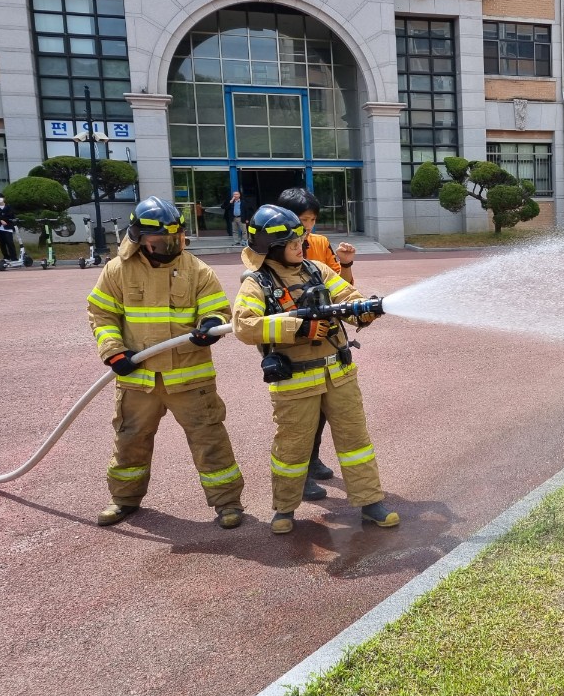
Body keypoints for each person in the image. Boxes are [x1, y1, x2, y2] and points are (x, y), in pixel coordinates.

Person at [231, 204, 398, 535]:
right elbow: (244, 326)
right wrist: (299, 329)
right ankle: (284, 509)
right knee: (291, 448)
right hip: (294, 382)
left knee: (356, 440)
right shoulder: (257, 283)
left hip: (339, 374)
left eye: (301, 240)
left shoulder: (317, 270)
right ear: (273, 248)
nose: (301, 246)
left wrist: (365, 311)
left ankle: (370, 503)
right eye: (294, 242)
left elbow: (348, 299)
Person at [86, 196, 245, 529]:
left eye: (177, 239)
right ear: (141, 237)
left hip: (190, 379)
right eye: (162, 241)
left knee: (209, 439)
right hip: (138, 380)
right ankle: (124, 499)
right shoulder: (117, 270)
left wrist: (210, 326)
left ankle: (228, 503)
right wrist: (113, 351)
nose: (172, 246)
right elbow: (102, 314)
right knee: (131, 439)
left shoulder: (197, 270)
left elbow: (218, 310)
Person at [274, 187, 357, 502]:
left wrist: (346, 264)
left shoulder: (321, 245)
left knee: (324, 408)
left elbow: (345, 292)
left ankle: (313, 458)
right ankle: (301, 473)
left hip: (327, 339)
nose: (307, 226)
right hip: (293, 343)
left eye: (311, 219)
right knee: (299, 414)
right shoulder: (269, 248)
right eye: (301, 219)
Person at [0, 192, 17, 261]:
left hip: (8, 227)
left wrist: (2, 219)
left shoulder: (9, 207)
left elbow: (11, 216)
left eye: (0, 198)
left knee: (10, 242)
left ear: (4, 199)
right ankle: (6, 257)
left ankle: (14, 258)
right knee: (2, 243)